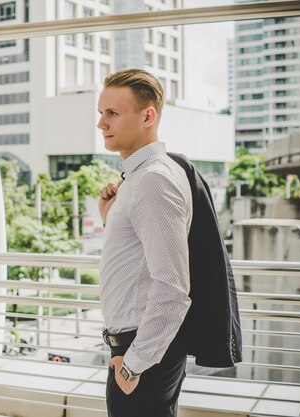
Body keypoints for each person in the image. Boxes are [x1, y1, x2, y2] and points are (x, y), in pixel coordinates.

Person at [97, 68, 193, 416]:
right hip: (139, 348)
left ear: (148, 116)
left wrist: (133, 365)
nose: (101, 124)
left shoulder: (154, 181)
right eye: (101, 113)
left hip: (143, 352)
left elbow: (172, 288)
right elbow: (140, 256)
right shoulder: (141, 178)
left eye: (112, 113)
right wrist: (110, 216)